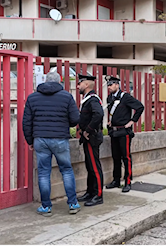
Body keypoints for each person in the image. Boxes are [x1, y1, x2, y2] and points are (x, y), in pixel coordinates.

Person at [22, 71, 81, 217]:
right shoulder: (66, 96)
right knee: (66, 170)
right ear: (59, 81)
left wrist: (30, 140)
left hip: (40, 139)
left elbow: (26, 122)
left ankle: (46, 206)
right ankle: (73, 203)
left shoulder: (32, 97)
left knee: (43, 173)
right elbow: (75, 119)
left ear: (45, 81)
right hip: (60, 138)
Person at [104, 75, 144, 193]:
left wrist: (132, 121)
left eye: (111, 85)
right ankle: (116, 180)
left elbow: (140, 107)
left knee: (126, 157)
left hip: (123, 132)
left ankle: (127, 181)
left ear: (117, 85)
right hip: (114, 132)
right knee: (115, 157)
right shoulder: (109, 98)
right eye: (108, 85)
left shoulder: (125, 97)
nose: (109, 87)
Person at [76, 74, 105, 206]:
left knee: (94, 166)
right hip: (88, 138)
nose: (78, 86)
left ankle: (98, 195)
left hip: (91, 137)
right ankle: (90, 192)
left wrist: (87, 130)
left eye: (80, 83)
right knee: (89, 166)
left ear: (86, 85)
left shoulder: (92, 99)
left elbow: (98, 114)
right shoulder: (87, 99)